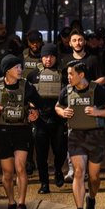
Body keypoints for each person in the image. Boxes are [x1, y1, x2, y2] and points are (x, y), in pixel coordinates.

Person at [56, 60, 105, 209]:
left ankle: (91, 198)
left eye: (71, 73)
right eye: (68, 74)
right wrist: (63, 112)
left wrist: (98, 112)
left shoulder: (97, 90)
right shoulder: (67, 91)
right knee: (78, 172)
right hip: (75, 135)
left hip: (95, 136)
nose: (68, 77)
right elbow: (57, 106)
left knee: (94, 177)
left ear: (81, 74)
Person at [0, 55, 42, 209]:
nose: (20, 70)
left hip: (22, 130)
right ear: (7, 70)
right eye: (16, 67)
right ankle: (11, 203)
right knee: (7, 174)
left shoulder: (27, 86)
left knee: (21, 168)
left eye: (20, 67)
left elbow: (39, 103)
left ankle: (22, 205)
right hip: (3, 131)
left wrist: (35, 112)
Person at [28, 43, 67, 195]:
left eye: (51, 56)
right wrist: (32, 109)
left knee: (60, 150)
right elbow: (28, 95)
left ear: (56, 57)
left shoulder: (63, 74)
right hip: (41, 120)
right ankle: (44, 183)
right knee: (41, 154)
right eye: (45, 56)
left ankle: (58, 170)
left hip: (58, 119)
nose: (48, 59)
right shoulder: (33, 75)